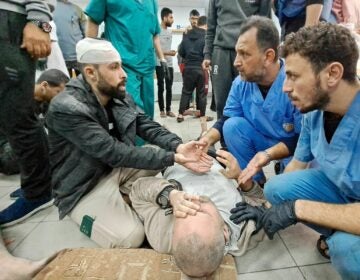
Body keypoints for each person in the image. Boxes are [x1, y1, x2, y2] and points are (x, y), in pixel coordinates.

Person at [46, 38, 212, 248]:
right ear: (90, 73)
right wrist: (173, 157)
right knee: (131, 237)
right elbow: (112, 151)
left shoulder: (116, 93)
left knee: (155, 153)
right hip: (84, 187)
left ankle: (125, 194)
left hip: (115, 169)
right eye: (114, 67)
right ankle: (85, 213)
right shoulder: (67, 108)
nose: (123, 74)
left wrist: (178, 147)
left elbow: (145, 124)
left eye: (121, 66)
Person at [230, 23, 360, 279]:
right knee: (277, 188)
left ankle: (342, 239)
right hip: (347, 194)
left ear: (332, 74)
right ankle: (338, 229)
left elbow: (298, 207)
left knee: (347, 249)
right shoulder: (316, 111)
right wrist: (269, 209)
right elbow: (295, 167)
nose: (285, 87)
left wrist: (297, 210)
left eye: (293, 76)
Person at [200, 16, 301, 188]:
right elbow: (227, 118)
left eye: (244, 54)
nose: (236, 62)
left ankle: (283, 172)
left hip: (294, 148)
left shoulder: (296, 83)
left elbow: (304, 139)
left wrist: (268, 155)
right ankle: (255, 182)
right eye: (237, 52)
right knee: (231, 126)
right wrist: (206, 140)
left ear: (268, 56)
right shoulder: (241, 83)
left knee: (286, 189)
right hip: (263, 140)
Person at [129, 160, 263, 278]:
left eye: (183, 212)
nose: (193, 199)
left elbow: (137, 191)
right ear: (225, 233)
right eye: (202, 211)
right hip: (214, 160)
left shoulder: (161, 237)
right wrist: (243, 179)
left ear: (174, 233)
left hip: (177, 160)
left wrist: (169, 194)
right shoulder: (244, 229)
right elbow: (260, 199)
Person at [0, 0, 53, 227]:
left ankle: (38, 191)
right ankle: (35, 183)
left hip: (10, 17)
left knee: (17, 114)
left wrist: (39, 19)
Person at [84, 0, 168, 119]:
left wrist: (162, 59)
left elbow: (154, 34)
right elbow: (93, 19)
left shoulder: (152, 2)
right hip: (123, 67)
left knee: (148, 113)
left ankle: (149, 138)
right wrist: (90, 58)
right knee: (131, 114)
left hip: (147, 67)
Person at [202, 0, 272, 121]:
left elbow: (266, 24)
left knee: (251, 101)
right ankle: (224, 138)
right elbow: (211, 27)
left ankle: (249, 137)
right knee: (222, 102)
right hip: (221, 51)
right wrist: (207, 54)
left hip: (249, 49)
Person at [0, 69, 69, 179]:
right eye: (58, 92)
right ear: (44, 86)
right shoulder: (17, 100)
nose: (60, 98)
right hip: (6, 151)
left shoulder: (46, 101)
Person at [177, 16, 214, 124]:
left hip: (188, 67)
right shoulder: (207, 36)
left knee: (186, 91)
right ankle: (202, 115)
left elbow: (181, 51)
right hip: (200, 67)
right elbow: (209, 52)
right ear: (206, 25)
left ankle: (180, 114)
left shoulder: (187, 34)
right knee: (201, 93)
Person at [53, 0, 86, 76]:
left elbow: (86, 33)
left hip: (77, 56)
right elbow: (86, 33)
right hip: (59, 57)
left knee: (83, 82)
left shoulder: (77, 9)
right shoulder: (48, 8)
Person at [155, 7, 177, 118]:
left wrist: (170, 53)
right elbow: (156, 49)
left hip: (170, 64)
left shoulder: (169, 32)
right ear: (164, 18)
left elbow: (167, 48)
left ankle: (168, 110)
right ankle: (162, 110)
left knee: (169, 87)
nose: (172, 20)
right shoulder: (157, 31)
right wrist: (168, 53)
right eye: (171, 17)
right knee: (161, 87)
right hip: (159, 63)